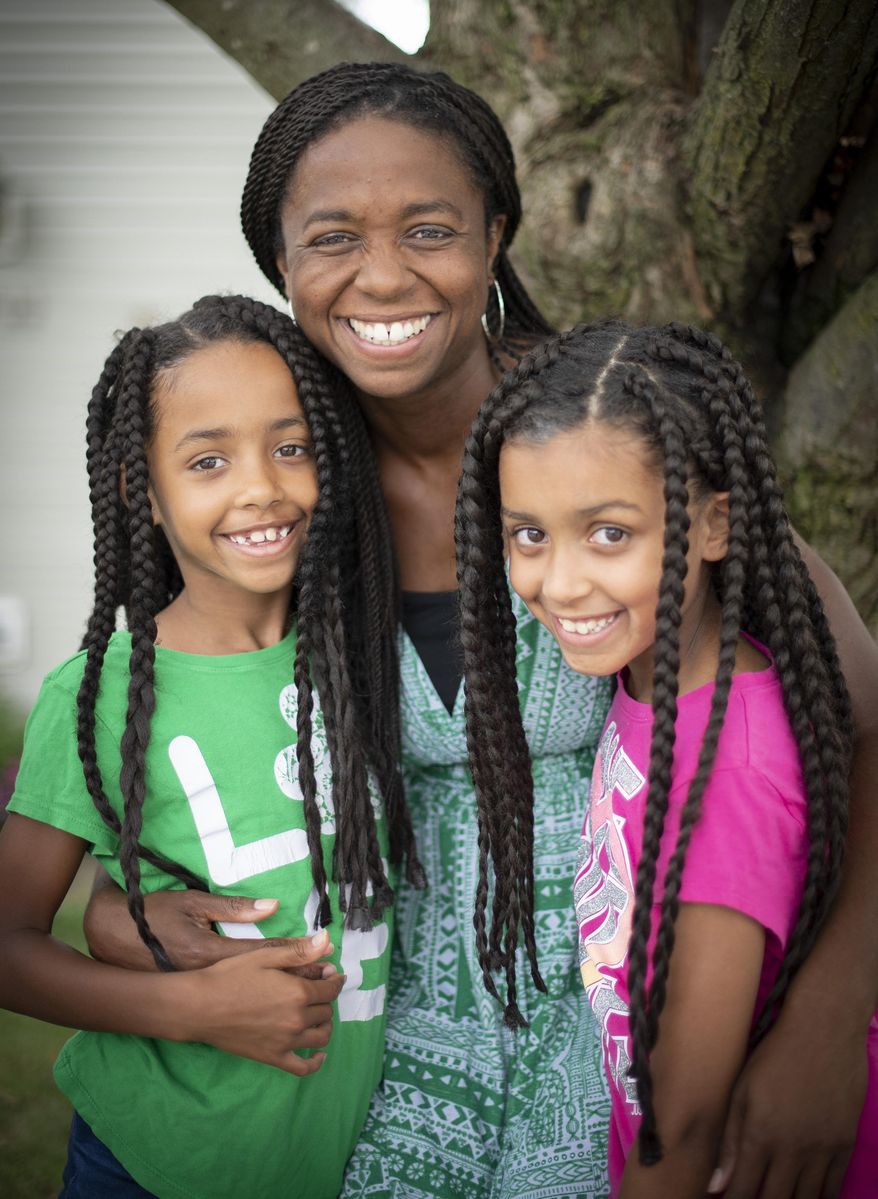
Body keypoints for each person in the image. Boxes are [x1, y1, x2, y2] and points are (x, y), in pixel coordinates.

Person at [83, 64, 878, 1199]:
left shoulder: (599, 442)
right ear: (280, 264)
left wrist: (826, 1016)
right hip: (373, 1043)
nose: (382, 274)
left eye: (429, 228)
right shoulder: (275, 493)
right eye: (330, 238)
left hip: (615, 1034)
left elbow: (857, 712)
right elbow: (189, 738)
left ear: (495, 232)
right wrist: (126, 906)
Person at [0, 294, 422, 1199]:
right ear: (141, 490)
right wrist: (188, 1009)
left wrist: (117, 913)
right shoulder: (103, 694)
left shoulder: (371, 656)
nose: (261, 485)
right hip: (151, 1162)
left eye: (292, 444)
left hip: (330, 1157)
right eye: (207, 460)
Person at [454, 320, 878, 1197]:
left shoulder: (723, 780)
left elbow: (681, 1128)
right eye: (529, 535)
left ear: (716, 523)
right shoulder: (655, 679)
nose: (561, 582)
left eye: (609, 534)